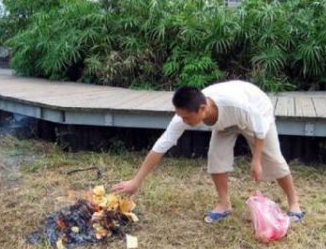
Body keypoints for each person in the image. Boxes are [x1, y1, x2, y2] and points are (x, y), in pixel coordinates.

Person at [112, 80, 304, 223]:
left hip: (257, 114)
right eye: (181, 116)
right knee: (216, 157)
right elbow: (163, 144)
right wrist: (136, 181)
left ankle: (294, 203)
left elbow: (260, 127)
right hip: (225, 122)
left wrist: (256, 160)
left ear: (202, 108)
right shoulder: (186, 113)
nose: (183, 121)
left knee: (273, 159)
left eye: (187, 118)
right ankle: (224, 204)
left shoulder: (237, 105)